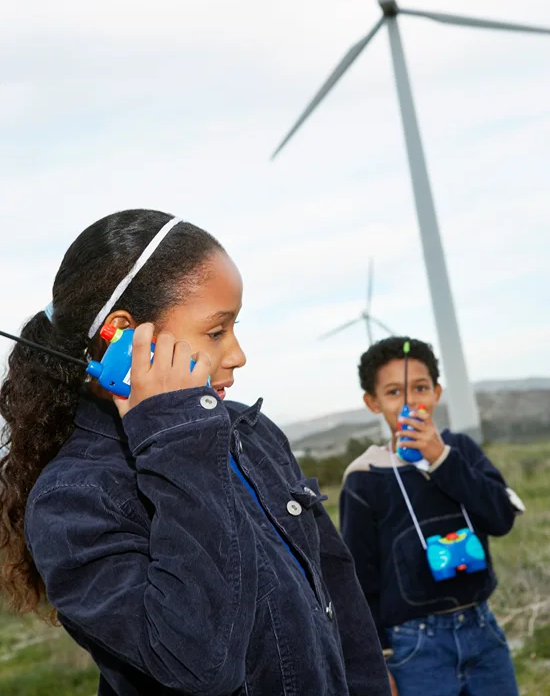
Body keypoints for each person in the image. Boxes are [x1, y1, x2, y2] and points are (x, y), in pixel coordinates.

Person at [0, 209, 390, 696]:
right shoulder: (72, 500)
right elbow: (200, 661)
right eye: (215, 331)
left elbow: (335, 589)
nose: (238, 354)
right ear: (121, 335)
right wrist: (176, 442)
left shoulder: (252, 432)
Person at [340, 337, 524, 696]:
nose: (410, 402)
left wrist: (442, 459)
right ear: (373, 403)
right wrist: (379, 659)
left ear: (437, 393)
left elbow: (501, 518)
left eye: (420, 388)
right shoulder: (364, 477)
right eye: (393, 392)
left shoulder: (461, 452)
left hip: (482, 628)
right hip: (414, 647)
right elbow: (360, 580)